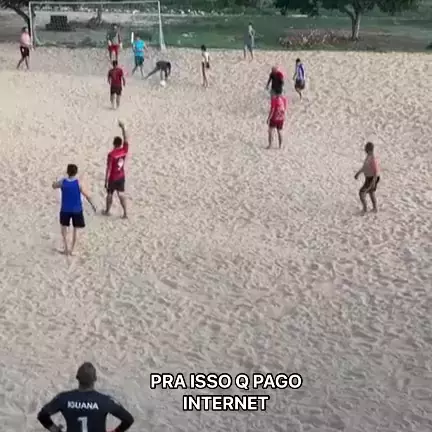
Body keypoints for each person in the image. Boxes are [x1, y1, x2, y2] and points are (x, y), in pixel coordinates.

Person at [37, 362, 134, 432]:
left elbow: (42, 415)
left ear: (77, 378)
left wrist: (56, 430)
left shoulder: (64, 398)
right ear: (95, 378)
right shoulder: (105, 401)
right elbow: (128, 419)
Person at [52, 164, 97, 256]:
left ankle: (66, 248)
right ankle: (72, 249)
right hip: (77, 209)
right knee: (76, 230)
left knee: (64, 229)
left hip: (65, 209)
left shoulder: (63, 182)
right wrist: (93, 205)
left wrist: (55, 181)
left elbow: (54, 186)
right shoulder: (78, 183)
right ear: (76, 172)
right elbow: (87, 195)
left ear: (67, 172)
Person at [103, 121, 129, 218]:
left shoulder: (111, 155)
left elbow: (108, 168)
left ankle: (107, 211)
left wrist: (106, 180)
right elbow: (126, 138)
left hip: (113, 177)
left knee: (110, 193)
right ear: (120, 144)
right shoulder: (124, 150)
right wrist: (123, 128)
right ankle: (125, 213)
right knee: (121, 194)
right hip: (121, 176)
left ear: (114, 144)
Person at [354, 142, 380, 214]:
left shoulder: (373, 158)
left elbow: (376, 171)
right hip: (369, 178)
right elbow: (365, 167)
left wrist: (374, 181)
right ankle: (375, 208)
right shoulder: (369, 156)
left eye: (365, 148)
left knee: (361, 193)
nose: (364, 150)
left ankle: (365, 209)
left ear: (369, 150)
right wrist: (358, 173)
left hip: (372, 178)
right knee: (371, 192)